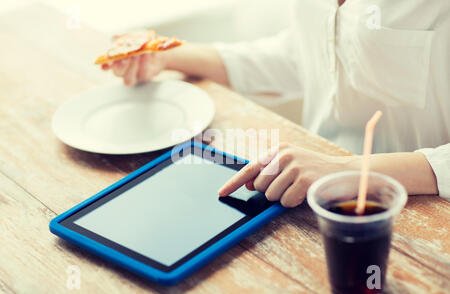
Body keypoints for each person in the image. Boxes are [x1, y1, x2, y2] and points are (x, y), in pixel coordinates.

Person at [102, 0, 450, 207]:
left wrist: (347, 171)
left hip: (416, 211)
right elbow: (306, 56)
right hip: (305, 186)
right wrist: (171, 54)